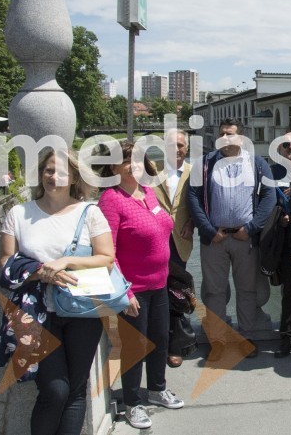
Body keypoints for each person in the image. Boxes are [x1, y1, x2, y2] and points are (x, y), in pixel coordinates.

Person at [0, 149, 114, 435]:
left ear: (74, 176)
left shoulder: (91, 213)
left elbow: (106, 258)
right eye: (49, 170)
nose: (54, 176)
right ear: (41, 174)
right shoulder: (19, 213)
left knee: (75, 390)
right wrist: (40, 272)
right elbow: (5, 262)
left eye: (61, 171)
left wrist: (66, 262)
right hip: (34, 313)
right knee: (54, 390)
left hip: (81, 309)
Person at [98, 141, 184, 430]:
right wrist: (125, 291)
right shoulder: (111, 199)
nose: (132, 165)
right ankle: (132, 403)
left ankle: (158, 389)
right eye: (125, 160)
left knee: (160, 339)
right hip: (132, 289)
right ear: (112, 167)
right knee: (135, 346)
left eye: (136, 159)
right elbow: (108, 251)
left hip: (159, 283)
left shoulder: (148, 192)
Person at [187, 118, 275, 360]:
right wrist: (207, 230)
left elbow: (269, 197)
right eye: (222, 134)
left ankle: (247, 337)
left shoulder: (257, 163)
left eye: (231, 134)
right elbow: (193, 198)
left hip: (244, 237)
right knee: (214, 292)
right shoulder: (205, 163)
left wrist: (252, 227)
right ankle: (218, 342)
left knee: (246, 290)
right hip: (214, 237)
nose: (226, 138)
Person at [152, 129, 194, 368]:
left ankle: (174, 346)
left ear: (186, 148)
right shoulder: (149, 171)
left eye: (180, 145)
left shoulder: (193, 172)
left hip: (180, 238)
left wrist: (192, 221)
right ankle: (159, 344)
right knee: (156, 292)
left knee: (176, 292)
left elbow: (200, 203)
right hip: (154, 240)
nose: (176, 149)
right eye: (171, 145)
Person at [270, 132, 291, 358]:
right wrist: (280, 217)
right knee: (290, 292)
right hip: (286, 241)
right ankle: (288, 337)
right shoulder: (271, 173)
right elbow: (264, 206)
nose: (290, 147)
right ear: (280, 149)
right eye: (286, 145)